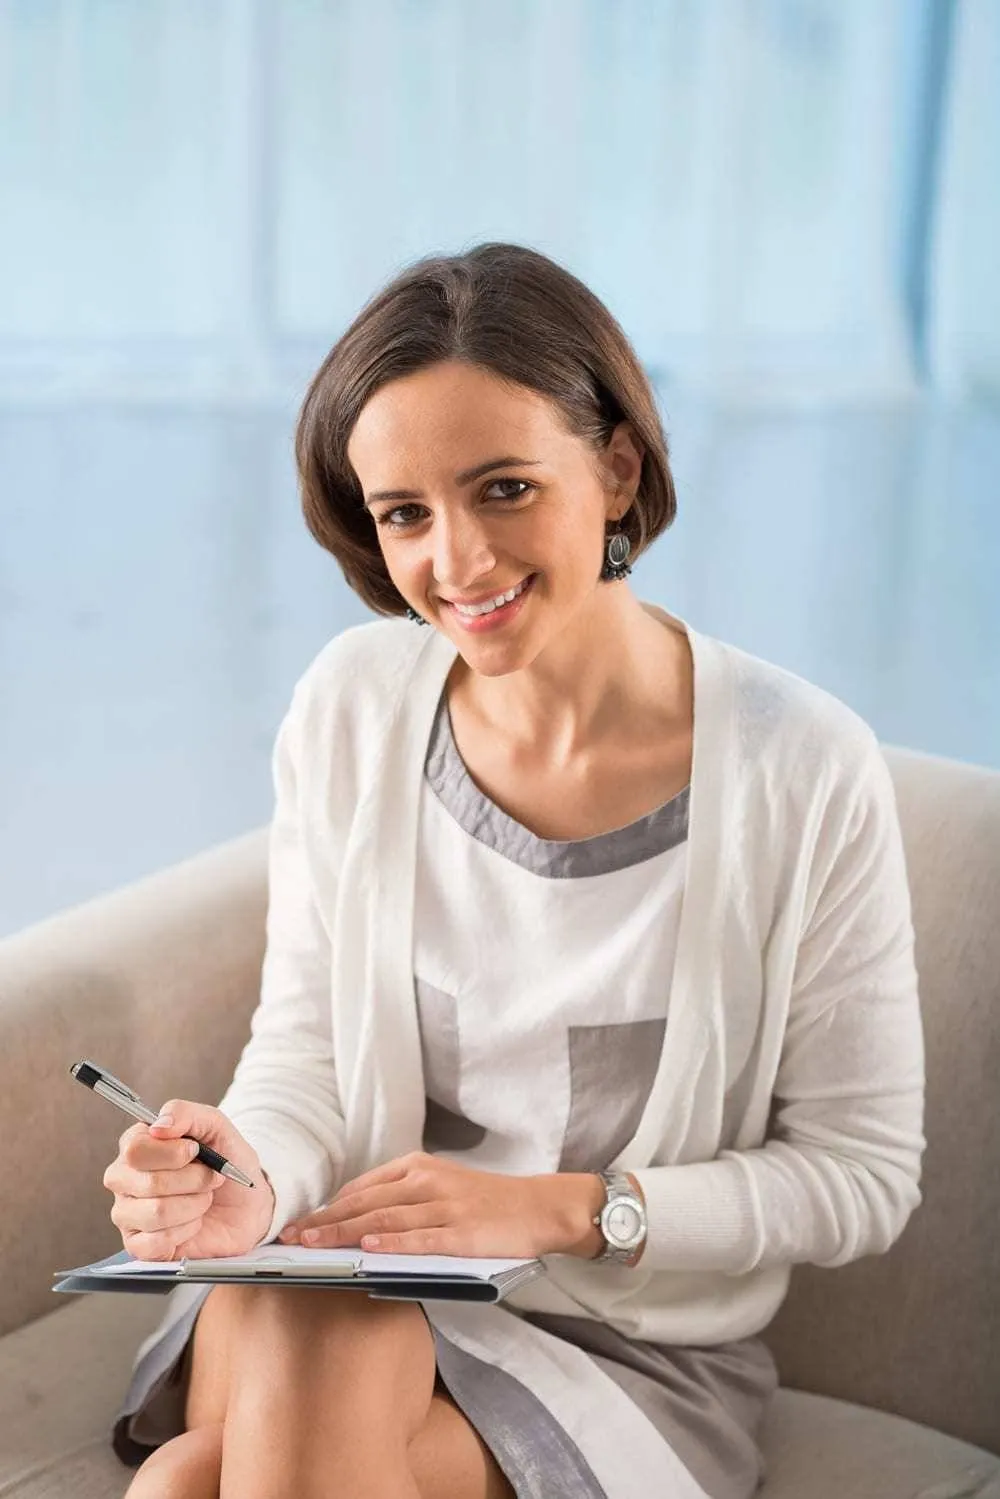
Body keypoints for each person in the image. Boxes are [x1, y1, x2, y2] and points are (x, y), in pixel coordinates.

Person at [104, 242, 925, 1499]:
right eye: (404, 515)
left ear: (615, 466)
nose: (457, 562)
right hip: (338, 1277)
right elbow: (309, 1053)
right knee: (311, 1323)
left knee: (183, 1484)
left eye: (501, 488)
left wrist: (561, 1207)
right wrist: (251, 1177)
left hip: (633, 1346)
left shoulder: (802, 767)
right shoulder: (352, 707)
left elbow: (860, 1175)